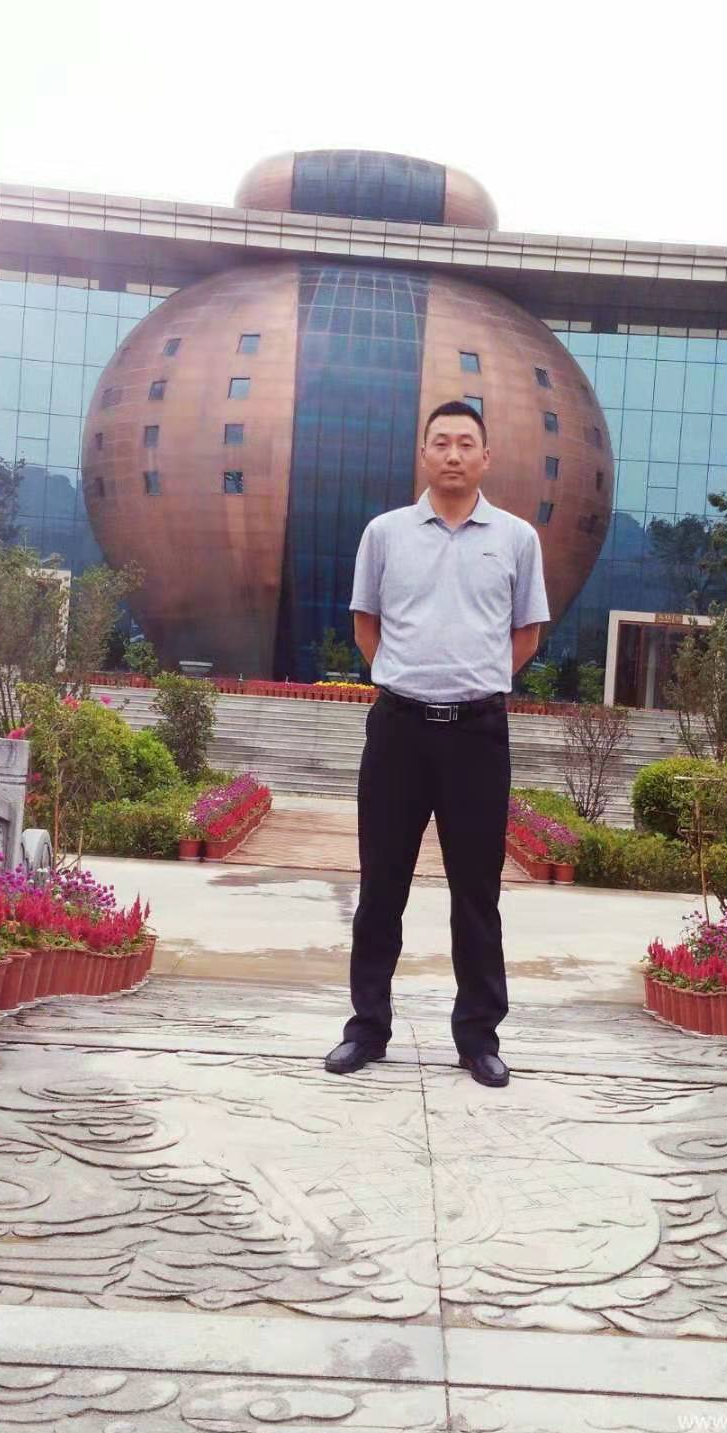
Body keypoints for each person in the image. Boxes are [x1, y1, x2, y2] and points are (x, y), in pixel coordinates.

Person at [324, 400, 550, 1087]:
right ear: (423, 454)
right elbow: (366, 623)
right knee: (381, 885)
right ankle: (367, 1029)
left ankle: (478, 1039)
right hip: (399, 729)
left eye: (466, 443)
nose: (453, 455)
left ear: (486, 457)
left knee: (477, 891)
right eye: (441, 443)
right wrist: (409, 679)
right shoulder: (385, 534)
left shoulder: (516, 539)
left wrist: (475, 682)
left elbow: (526, 633)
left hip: (478, 735)